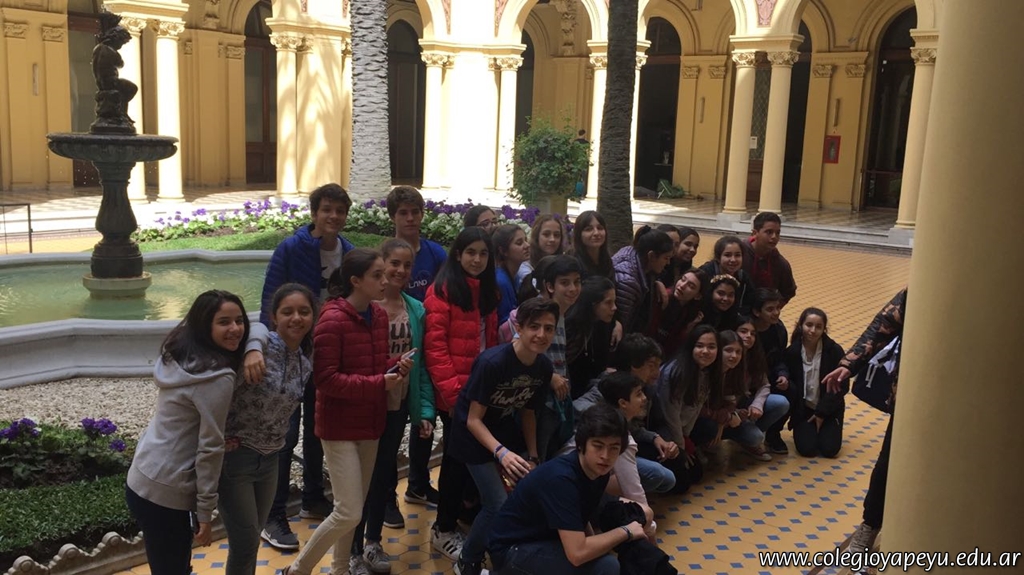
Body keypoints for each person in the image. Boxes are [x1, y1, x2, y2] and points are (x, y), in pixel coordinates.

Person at [282, 249, 414, 575]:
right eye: (377, 276)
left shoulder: (378, 315)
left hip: (370, 423)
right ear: (355, 281)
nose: (386, 281)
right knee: (349, 511)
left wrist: (395, 366)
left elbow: (372, 366)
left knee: (354, 507)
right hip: (339, 427)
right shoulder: (332, 320)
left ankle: (339, 569)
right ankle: (298, 570)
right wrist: (378, 383)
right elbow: (326, 380)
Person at [125, 290, 252, 575]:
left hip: (143, 475)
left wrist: (253, 346)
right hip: (166, 491)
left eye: (239, 320)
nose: (235, 329)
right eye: (224, 322)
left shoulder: (180, 353)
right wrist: (205, 512)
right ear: (205, 325)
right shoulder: (217, 377)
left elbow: (259, 330)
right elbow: (210, 448)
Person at [259, 183, 353, 549]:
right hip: (290, 352)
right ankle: (272, 514)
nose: (333, 216)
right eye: (327, 209)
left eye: (340, 210)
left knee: (318, 429)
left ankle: (313, 497)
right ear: (314, 213)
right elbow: (270, 300)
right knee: (284, 434)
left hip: (326, 353)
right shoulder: (291, 248)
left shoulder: (348, 252)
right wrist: (270, 350)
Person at [449, 297, 559, 575]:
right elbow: (472, 420)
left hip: (502, 430)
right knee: (496, 503)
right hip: (471, 435)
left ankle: (507, 547)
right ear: (518, 327)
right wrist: (502, 453)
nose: (541, 334)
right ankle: (467, 560)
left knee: (533, 486)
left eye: (549, 328)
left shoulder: (543, 368)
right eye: (534, 327)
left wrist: (533, 456)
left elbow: (529, 413)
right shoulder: (493, 362)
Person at [349, 240, 436, 574]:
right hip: (366, 404)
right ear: (381, 264)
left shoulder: (416, 309)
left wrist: (424, 411)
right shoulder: (365, 307)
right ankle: (352, 550)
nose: (400, 270)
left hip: (397, 405)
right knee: (360, 480)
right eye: (394, 263)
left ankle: (372, 542)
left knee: (384, 475)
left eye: (407, 265)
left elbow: (421, 365)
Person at [218, 285, 315, 575]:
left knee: (252, 537)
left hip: (271, 460)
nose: (296, 318)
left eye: (304, 312)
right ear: (274, 317)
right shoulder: (256, 348)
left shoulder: (304, 362)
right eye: (288, 312)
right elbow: (218, 396)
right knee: (245, 542)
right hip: (237, 458)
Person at [488, 403, 647, 575]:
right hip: (511, 550)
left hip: (544, 539)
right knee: (606, 566)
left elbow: (581, 518)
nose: (605, 456)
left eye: (614, 448)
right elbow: (577, 554)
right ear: (581, 444)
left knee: (601, 556)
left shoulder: (598, 471)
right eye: (598, 446)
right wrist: (626, 532)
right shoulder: (561, 479)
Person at [424, 226, 500, 562]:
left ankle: (463, 516)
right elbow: (436, 349)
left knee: (470, 462)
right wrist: (456, 398)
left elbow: (491, 342)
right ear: (458, 254)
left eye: (483, 253)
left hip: (481, 392)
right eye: (471, 252)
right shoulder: (442, 291)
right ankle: (442, 528)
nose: (477, 259)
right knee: (455, 462)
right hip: (456, 397)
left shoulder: (488, 291)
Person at [822, 288, 906, 553]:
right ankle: (869, 527)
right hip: (911, 399)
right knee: (887, 464)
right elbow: (882, 326)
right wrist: (849, 364)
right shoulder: (920, 290)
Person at [387, 185, 446, 515]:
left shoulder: (435, 254)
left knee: (425, 417)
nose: (410, 218)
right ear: (393, 217)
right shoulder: (386, 257)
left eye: (415, 212)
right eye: (403, 213)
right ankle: (385, 496)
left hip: (428, 343)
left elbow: (447, 291)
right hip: (395, 350)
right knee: (391, 427)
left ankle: (419, 483)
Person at [563, 371, 660, 536]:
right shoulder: (619, 436)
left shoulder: (602, 418)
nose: (644, 398)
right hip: (570, 492)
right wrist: (649, 529)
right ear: (622, 403)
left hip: (578, 486)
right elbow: (634, 492)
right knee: (644, 512)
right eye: (638, 394)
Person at [785, 307, 847, 458]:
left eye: (818, 327)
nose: (813, 330)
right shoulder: (792, 352)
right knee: (807, 449)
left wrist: (821, 413)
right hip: (804, 409)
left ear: (824, 329)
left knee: (830, 450)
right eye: (809, 325)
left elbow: (843, 387)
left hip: (829, 407)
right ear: (801, 326)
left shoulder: (834, 351)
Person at [656, 325, 724, 451]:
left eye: (711, 347)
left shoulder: (708, 370)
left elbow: (697, 406)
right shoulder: (676, 372)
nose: (705, 351)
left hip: (682, 424)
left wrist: (686, 437)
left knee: (709, 429)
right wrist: (681, 445)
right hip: (661, 424)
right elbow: (670, 414)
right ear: (691, 347)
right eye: (699, 346)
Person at [749, 288, 792, 454]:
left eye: (778, 308)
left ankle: (771, 434)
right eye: (770, 309)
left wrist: (783, 375)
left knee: (790, 390)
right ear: (756, 312)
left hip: (765, 380)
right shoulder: (746, 331)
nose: (776, 313)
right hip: (745, 384)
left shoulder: (779, 330)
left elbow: (780, 358)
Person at [612, 226, 675, 335]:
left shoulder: (632, 253)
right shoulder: (628, 283)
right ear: (651, 256)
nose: (668, 263)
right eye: (666, 258)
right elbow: (623, 323)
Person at [566, 276, 617, 399]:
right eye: (608, 303)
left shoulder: (604, 324)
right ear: (592, 304)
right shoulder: (572, 328)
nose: (614, 307)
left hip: (592, 388)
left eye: (614, 302)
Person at [741, 212, 796, 307]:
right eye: (769, 232)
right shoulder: (738, 255)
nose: (774, 237)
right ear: (754, 233)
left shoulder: (780, 263)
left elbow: (788, 291)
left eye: (777, 233)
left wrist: (771, 310)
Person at [698, 235, 757, 313]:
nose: (733, 260)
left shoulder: (743, 277)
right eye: (727, 255)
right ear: (718, 257)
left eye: (737, 255)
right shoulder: (704, 274)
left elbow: (750, 302)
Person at [656, 267, 706, 357]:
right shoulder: (662, 297)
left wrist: (688, 329)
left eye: (691, 286)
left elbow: (673, 345)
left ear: (698, 296)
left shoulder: (688, 313)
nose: (682, 286)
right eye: (683, 279)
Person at [492, 224, 530, 324]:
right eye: (519, 243)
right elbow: (505, 322)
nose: (527, 245)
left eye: (526, 240)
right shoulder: (500, 281)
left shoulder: (515, 276)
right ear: (503, 251)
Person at [516, 215, 565, 290]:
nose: (552, 239)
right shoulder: (525, 264)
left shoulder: (564, 261)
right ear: (536, 236)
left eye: (556, 235)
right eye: (546, 234)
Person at [570, 210, 614, 280]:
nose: (596, 233)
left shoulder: (608, 261)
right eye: (588, 229)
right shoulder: (572, 263)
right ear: (579, 234)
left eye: (600, 228)